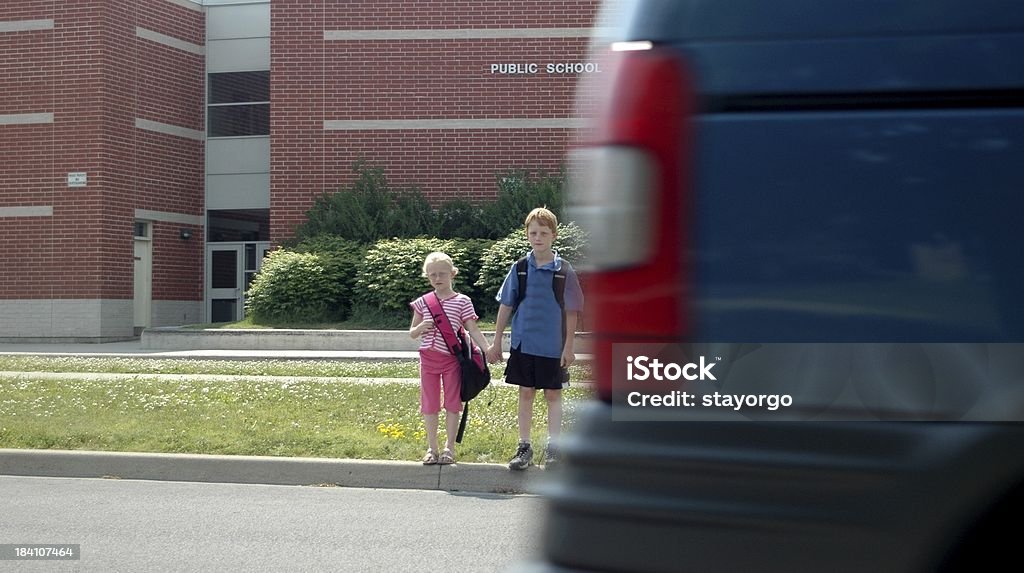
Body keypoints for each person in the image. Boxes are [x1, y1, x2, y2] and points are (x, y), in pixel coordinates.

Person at [486, 207, 583, 470]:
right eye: (533, 233)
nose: (538, 237)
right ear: (527, 235)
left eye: (543, 232)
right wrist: (496, 342)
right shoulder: (519, 269)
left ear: (554, 235)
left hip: (553, 347)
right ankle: (524, 447)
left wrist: (569, 347)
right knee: (526, 393)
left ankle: (554, 447)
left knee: (553, 395)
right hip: (524, 344)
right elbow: (506, 305)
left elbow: (572, 311)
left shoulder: (564, 270)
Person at [409, 252, 490, 465]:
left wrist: (488, 349)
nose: (438, 278)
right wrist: (419, 328)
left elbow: (472, 329)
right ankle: (431, 448)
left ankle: (449, 448)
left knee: (453, 403)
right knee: (430, 403)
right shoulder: (422, 302)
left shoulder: (463, 301)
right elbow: (412, 333)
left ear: (453, 274)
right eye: (433, 275)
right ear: (427, 276)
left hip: (452, 360)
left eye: (442, 274)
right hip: (427, 359)